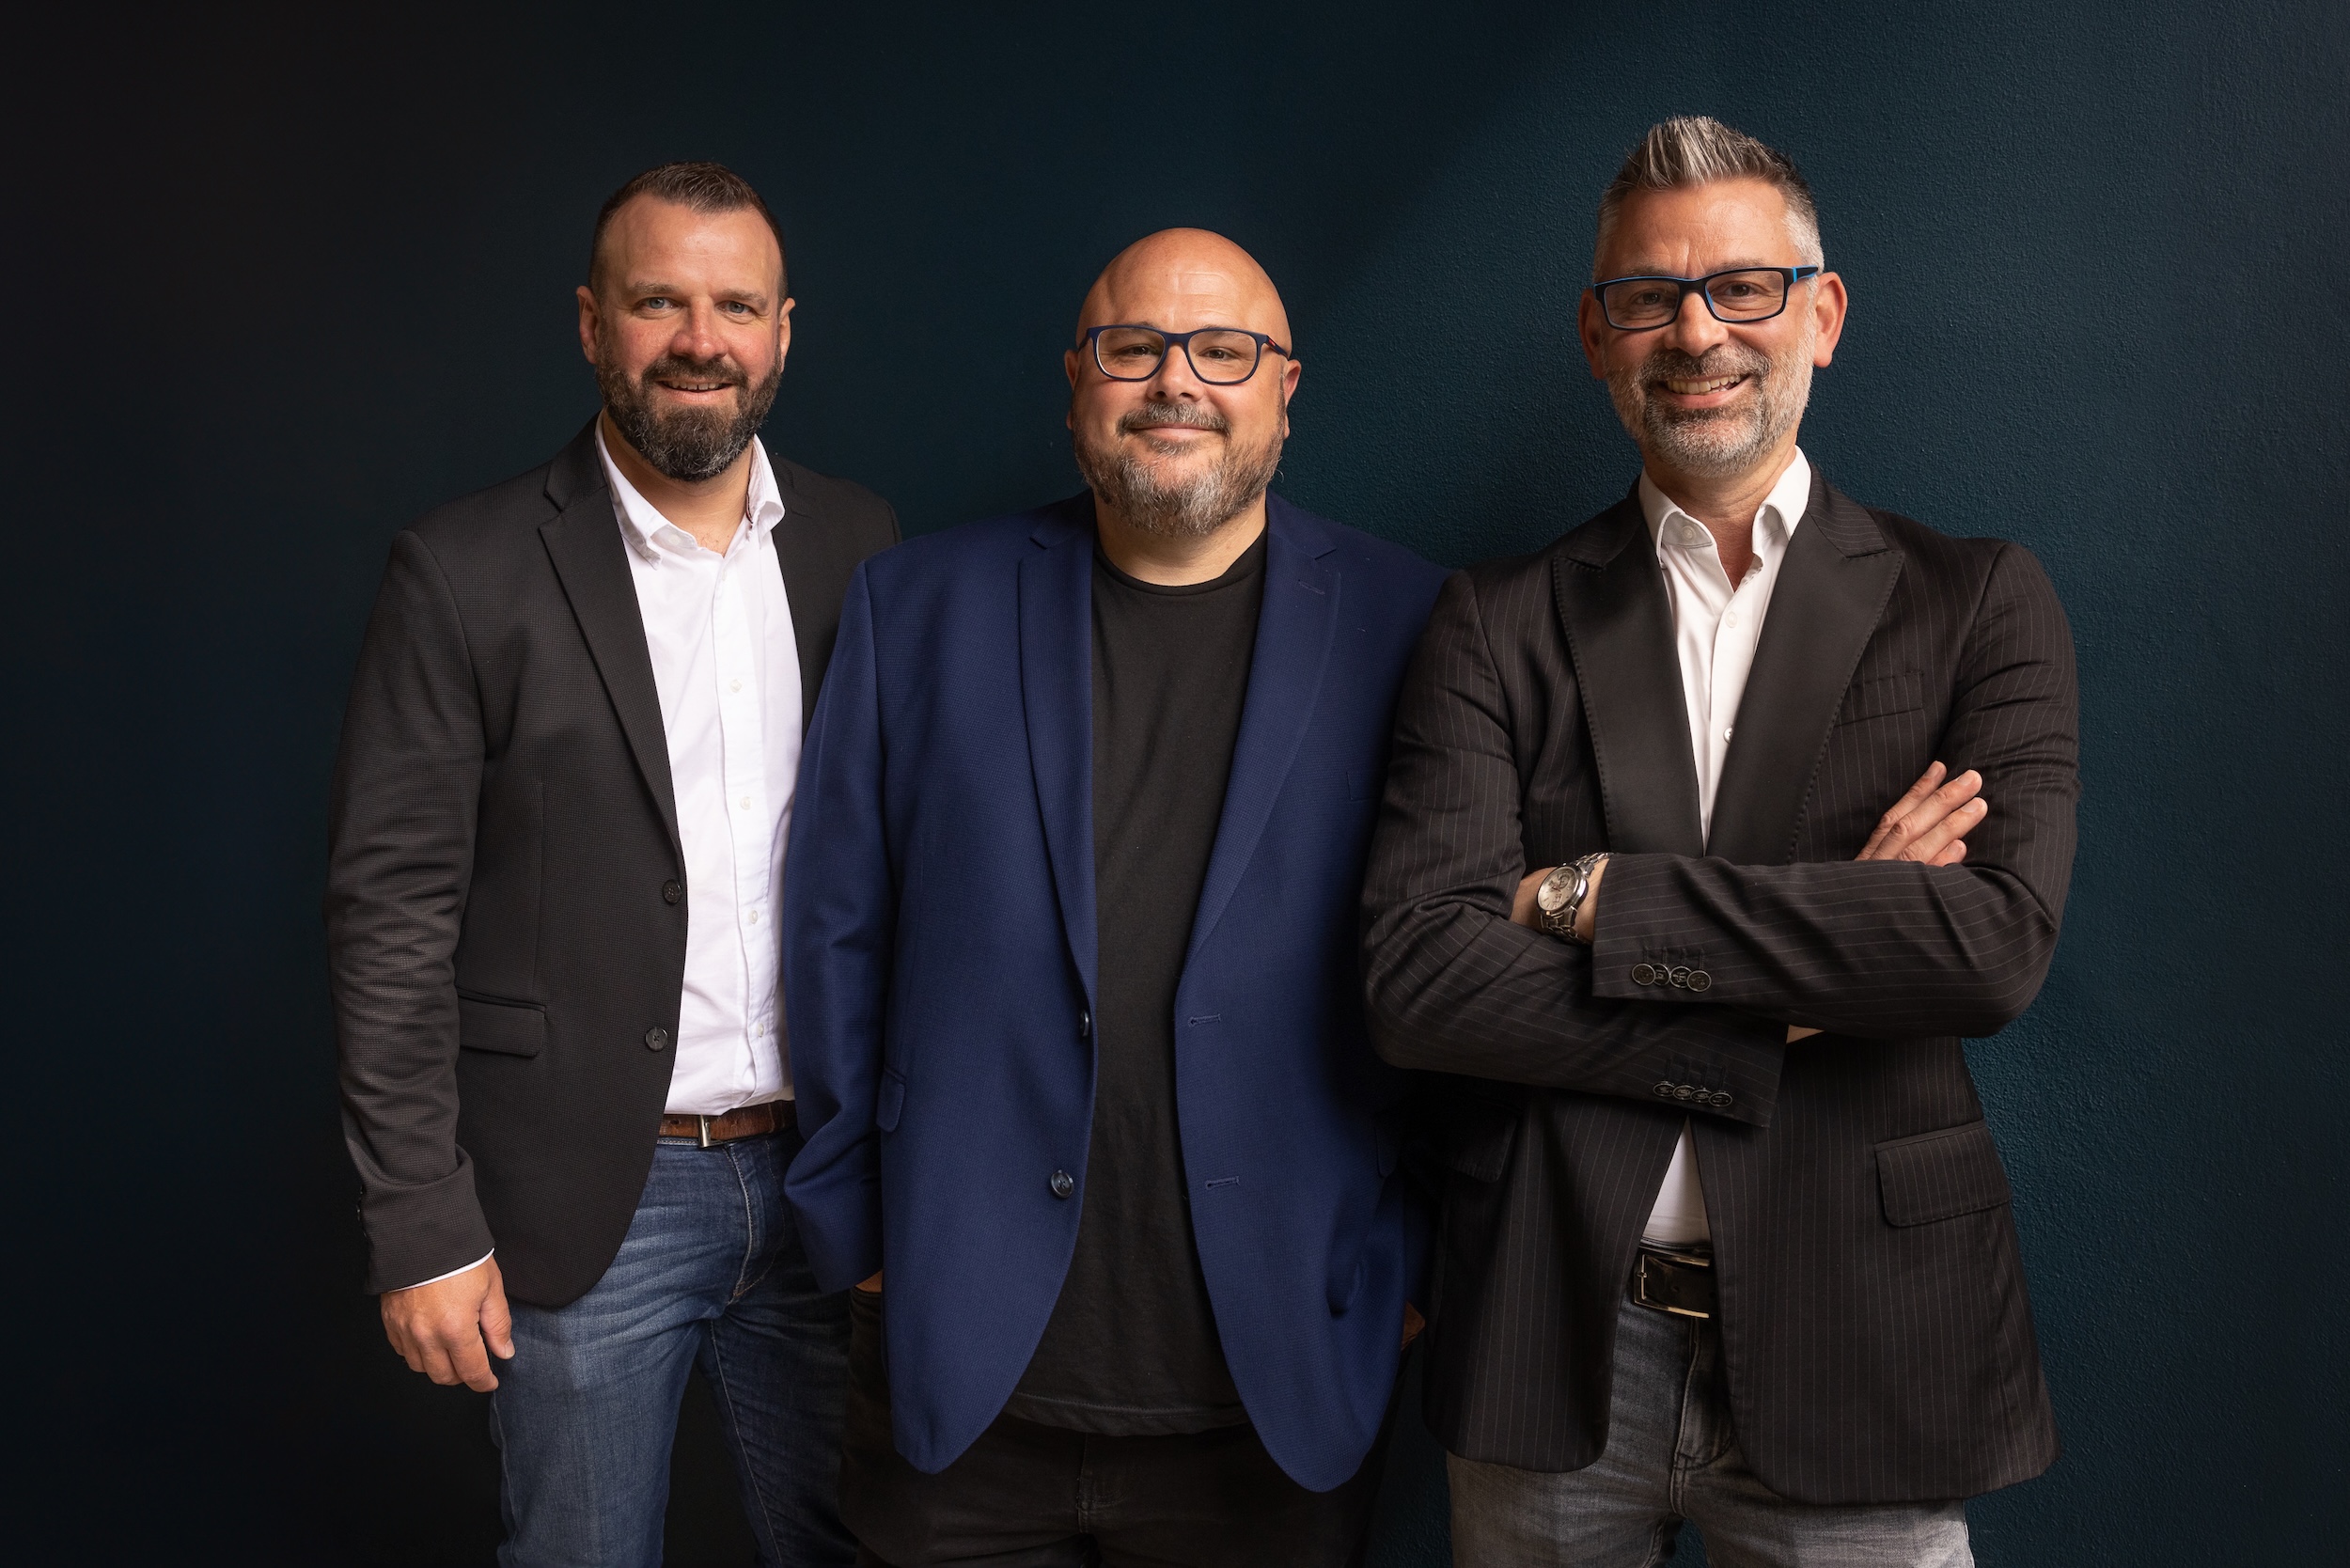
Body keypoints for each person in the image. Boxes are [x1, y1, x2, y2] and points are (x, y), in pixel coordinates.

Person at [1360, 117, 2078, 1566]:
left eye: (1744, 287)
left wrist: (1591, 899)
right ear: (1596, 332)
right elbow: (1422, 977)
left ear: (1823, 311)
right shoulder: (1492, 623)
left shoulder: (1979, 602)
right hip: (1556, 1331)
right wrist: (1830, 953)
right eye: (1651, 295)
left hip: (1864, 1335)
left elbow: (1989, 948)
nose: (1698, 332)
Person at [783, 228, 1446, 1568]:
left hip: (1276, 1395)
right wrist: (852, 1232)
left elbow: (1458, 965)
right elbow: (835, 930)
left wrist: (1407, 1272)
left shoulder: (1417, 624)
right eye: (1132, 347)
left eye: (1224, 350)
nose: (1175, 382)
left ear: (1287, 384)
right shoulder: (917, 606)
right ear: (1077, 377)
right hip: (961, 1377)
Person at [327, 161, 897, 1567]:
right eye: (659, 302)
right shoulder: (461, 570)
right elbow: (389, 918)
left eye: (735, 305)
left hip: (831, 1186)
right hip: (588, 1197)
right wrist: (419, 1222)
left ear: (781, 332)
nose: (699, 338)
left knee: (867, 1548)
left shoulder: (860, 548)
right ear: (592, 325)